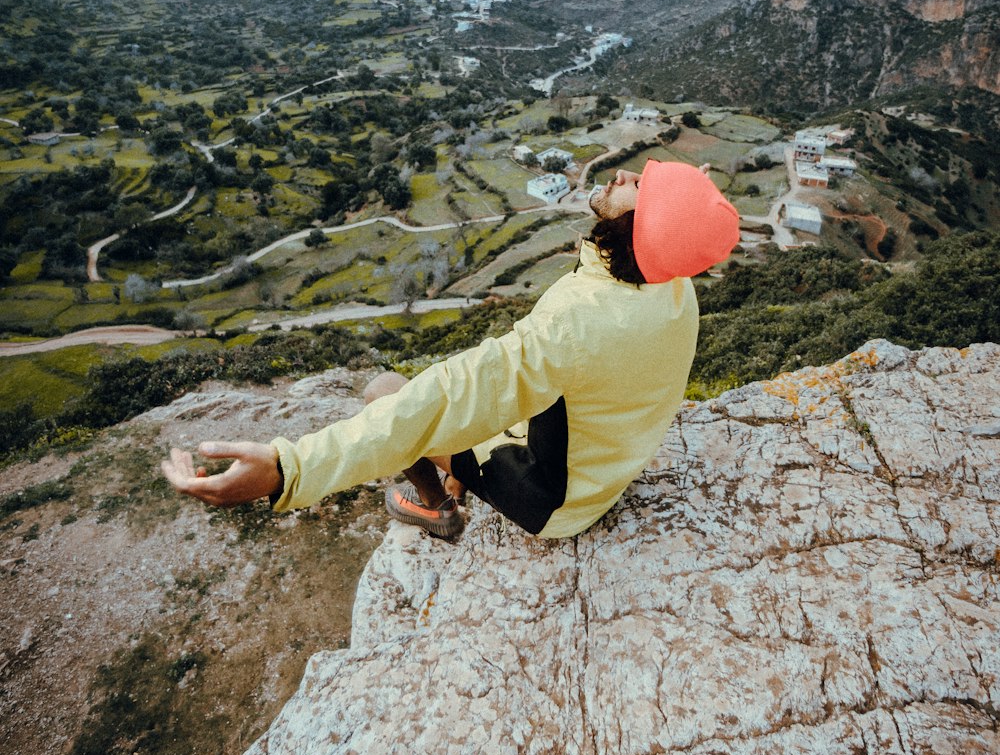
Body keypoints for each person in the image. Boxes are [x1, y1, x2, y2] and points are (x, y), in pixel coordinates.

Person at [162, 161, 739, 540]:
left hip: (560, 501)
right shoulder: (674, 286)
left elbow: (440, 400)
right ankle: (461, 475)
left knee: (386, 393)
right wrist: (685, 203)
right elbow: (671, 240)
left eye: (640, 184)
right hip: (608, 466)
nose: (622, 173)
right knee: (458, 413)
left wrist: (289, 467)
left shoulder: (577, 325)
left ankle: (438, 508)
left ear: (638, 223)